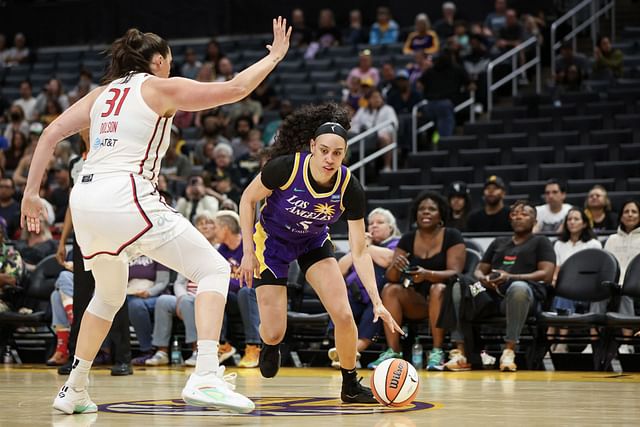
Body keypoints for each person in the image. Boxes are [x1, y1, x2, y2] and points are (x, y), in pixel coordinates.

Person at [21, 18, 292, 415]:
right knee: (214, 268)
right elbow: (235, 89)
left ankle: (74, 387)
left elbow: (48, 135)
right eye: (169, 59)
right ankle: (205, 373)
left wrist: (31, 192)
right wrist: (274, 57)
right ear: (160, 60)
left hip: (85, 199)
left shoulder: (101, 95)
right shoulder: (160, 86)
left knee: (109, 294)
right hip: (124, 192)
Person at [238, 103, 402, 404]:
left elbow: (359, 250)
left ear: (344, 153)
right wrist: (247, 252)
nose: (329, 159)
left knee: (342, 313)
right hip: (272, 242)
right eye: (324, 150)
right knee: (274, 332)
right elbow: (247, 199)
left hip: (312, 241)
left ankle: (350, 384)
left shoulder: (349, 187)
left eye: (337, 153)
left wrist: (377, 302)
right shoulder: (286, 167)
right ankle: (269, 344)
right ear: (313, 146)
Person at [367, 192, 466, 371]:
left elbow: (455, 272)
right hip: (417, 300)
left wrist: (428, 274)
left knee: (437, 288)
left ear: (441, 214)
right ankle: (393, 352)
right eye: (421, 209)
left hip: (446, 300)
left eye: (431, 209)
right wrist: (396, 266)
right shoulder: (408, 238)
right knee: (390, 289)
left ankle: (437, 351)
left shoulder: (452, 235)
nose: (425, 212)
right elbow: (391, 277)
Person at [472, 200, 555, 372]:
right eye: (515, 214)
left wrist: (511, 276)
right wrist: (483, 278)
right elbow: (479, 270)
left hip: (525, 296)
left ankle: (509, 350)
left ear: (535, 221)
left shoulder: (541, 242)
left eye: (524, 214)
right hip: (491, 294)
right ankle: (460, 352)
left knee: (518, 287)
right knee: (463, 288)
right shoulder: (498, 242)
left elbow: (546, 274)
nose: (518, 217)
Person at [329, 207, 401, 368]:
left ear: (391, 227)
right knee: (340, 309)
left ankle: (348, 353)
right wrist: (358, 248)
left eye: (380, 223)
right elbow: (340, 270)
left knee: (373, 315)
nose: (374, 226)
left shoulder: (395, 243)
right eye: (371, 223)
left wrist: (364, 246)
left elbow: (388, 260)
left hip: (377, 295)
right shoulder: (362, 245)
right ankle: (344, 352)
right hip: (354, 293)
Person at [548, 207, 602, 353]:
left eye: (576, 219)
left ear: (584, 224)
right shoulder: (559, 244)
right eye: (569, 219)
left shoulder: (593, 244)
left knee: (564, 295)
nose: (572, 222)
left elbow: (596, 272)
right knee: (561, 294)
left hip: (587, 290)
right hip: (564, 288)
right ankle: (553, 343)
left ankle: (560, 341)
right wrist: (554, 280)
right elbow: (556, 269)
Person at [589, 200, 640, 354]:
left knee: (626, 294)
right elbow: (606, 265)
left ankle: (627, 343)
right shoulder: (611, 239)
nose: (630, 215)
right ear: (621, 216)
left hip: (635, 284)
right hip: (613, 282)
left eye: (634, 211)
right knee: (597, 294)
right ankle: (593, 343)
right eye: (626, 211)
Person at [214, 210, 262, 368]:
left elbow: (250, 280)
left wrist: (228, 282)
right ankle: (222, 345)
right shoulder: (222, 250)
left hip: (257, 295)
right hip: (235, 297)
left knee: (245, 291)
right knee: (216, 294)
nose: (213, 231)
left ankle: (253, 347)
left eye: (216, 227)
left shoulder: (249, 245)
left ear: (225, 228)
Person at [126, 255, 170, 365]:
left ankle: (147, 350)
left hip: (154, 295)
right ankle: (105, 351)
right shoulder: (128, 255)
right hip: (130, 293)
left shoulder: (159, 254)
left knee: (136, 306)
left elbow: (162, 282)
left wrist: (148, 292)